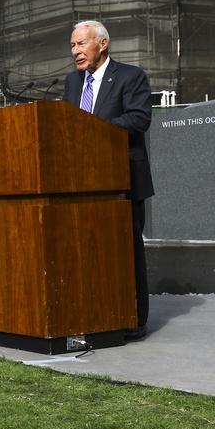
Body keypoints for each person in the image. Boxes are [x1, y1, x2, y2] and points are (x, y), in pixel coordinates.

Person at [65, 19, 153, 341]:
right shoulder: (72, 82)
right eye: (73, 45)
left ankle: (135, 319)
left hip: (124, 178)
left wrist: (93, 130)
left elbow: (139, 118)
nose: (76, 51)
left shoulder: (131, 76)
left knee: (127, 250)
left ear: (102, 44)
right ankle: (99, 312)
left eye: (81, 43)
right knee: (91, 250)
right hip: (83, 181)